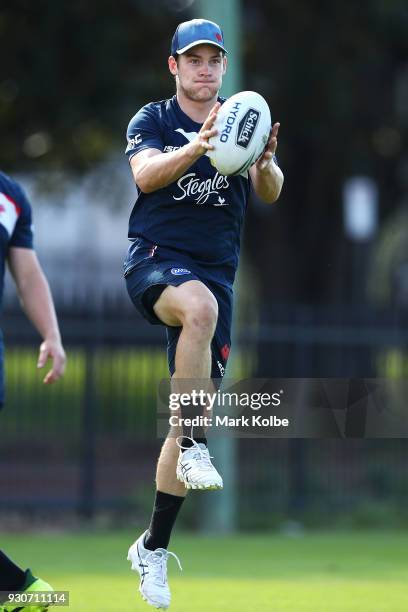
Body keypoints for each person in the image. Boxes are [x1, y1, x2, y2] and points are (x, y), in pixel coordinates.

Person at [124, 18, 283, 609]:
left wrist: (262, 163)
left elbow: (271, 188)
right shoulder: (154, 120)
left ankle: (153, 548)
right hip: (155, 261)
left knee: (203, 317)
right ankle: (196, 442)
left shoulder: (246, 117)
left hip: (216, 279)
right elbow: (144, 174)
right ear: (174, 66)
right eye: (193, 59)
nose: (205, 68)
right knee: (197, 306)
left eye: (214, 59)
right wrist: (197, 148)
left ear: (223, 65)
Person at [0, 171, 66, 612]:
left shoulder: (11, 195)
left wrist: (52, 335)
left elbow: (28, 274)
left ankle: (21, 591)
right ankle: (21, 592)